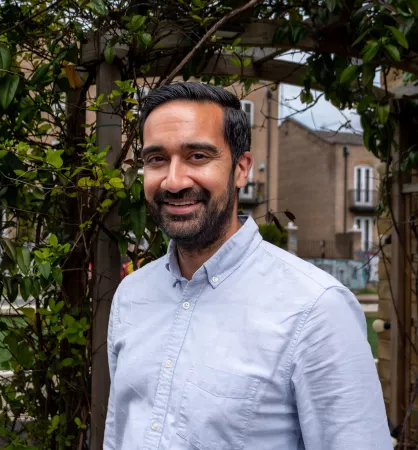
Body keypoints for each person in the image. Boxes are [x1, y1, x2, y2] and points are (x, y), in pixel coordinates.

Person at [104, 82, 392, 449]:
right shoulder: (132, 295)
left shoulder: (316, 309)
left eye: (197, 156)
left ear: (241, 170)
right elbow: (118, 432)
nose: (174, 181)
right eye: (156, 159)